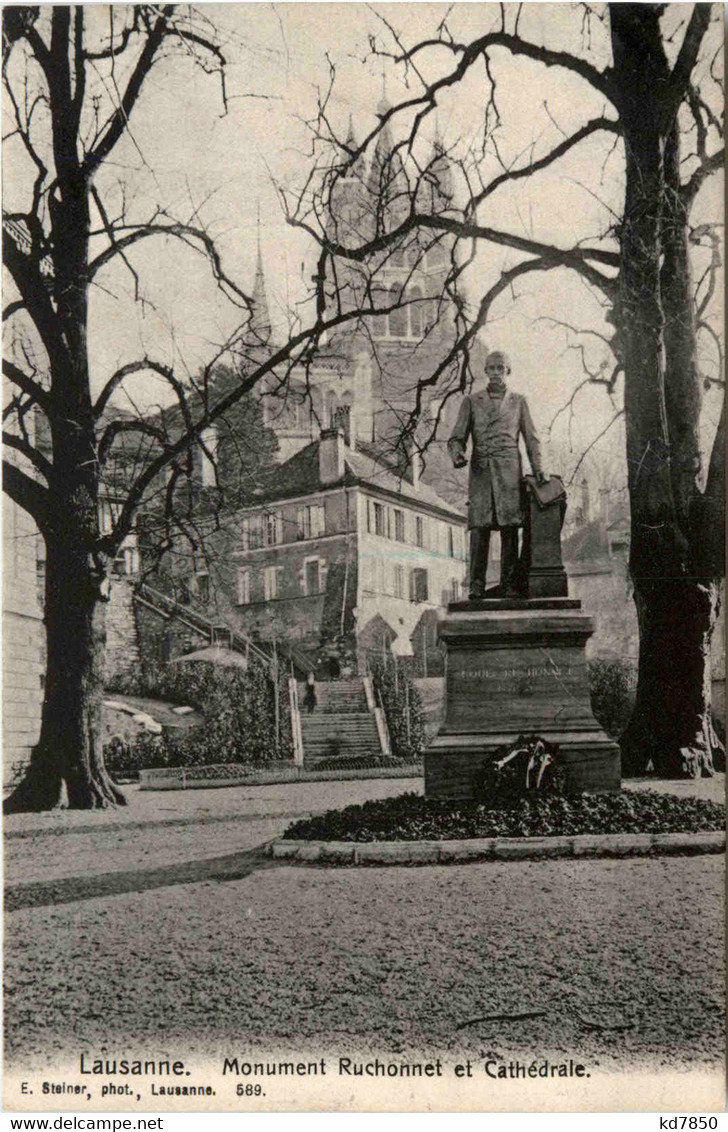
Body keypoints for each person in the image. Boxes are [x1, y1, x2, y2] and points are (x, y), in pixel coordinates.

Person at [448, 350, 548, 599]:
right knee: (480, 529)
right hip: (481, 471)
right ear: (485, 371)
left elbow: (531, 438)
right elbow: (456, 436)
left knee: (510, 528)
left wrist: (539, 469)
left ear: (508, 371)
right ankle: (476, 585)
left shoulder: (519, 401)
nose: (495, 373)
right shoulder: (471, 401)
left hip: (509, 472)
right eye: (491, 368)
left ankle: (509, 584)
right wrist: (457, 453)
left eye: (500, 368)